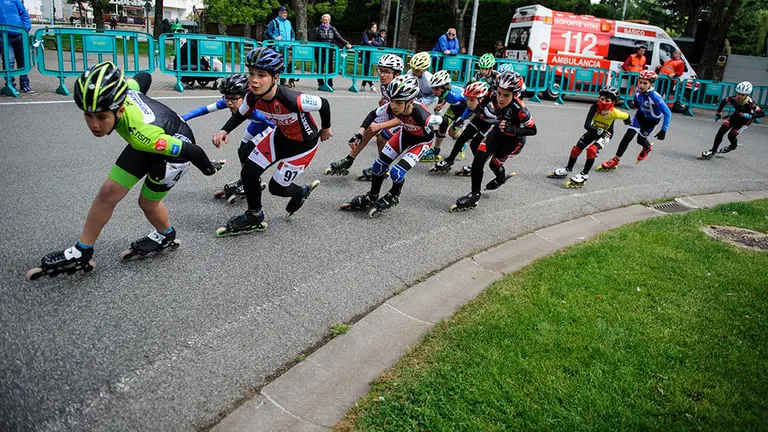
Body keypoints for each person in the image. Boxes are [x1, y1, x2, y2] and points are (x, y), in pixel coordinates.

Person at [25, 62, 224, 280]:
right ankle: (82, 251)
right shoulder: (123, 90)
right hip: (152, 137)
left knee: (147, 203)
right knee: (107, 194)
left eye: (102, 117)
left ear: (119, 110)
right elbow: (145, 77)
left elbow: (193, 150)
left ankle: (166, 235)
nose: (94, 125)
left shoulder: (143, 136)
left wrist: (209, 170)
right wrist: (141, 97)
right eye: (88, 115)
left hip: (172, 153)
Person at [212, 48, 332, 236]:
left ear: (275, 78)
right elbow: (240, 114)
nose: (254, 80)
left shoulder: (293, 99)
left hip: (303, 146)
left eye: (261, 75)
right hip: (280, 137)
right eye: (251, 73)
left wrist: (326, 128)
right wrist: (224, 130)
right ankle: (254, 215)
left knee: (277, 188)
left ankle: (301, 192)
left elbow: (323, 103)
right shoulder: (252, 96)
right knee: (248, 173)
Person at [340, 75, 448, 217]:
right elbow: (373, 114)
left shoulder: (422, 116)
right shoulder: (391, 107)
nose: (393, 105)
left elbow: (445, 121)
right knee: (378, 166)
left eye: (398, 102)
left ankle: (394, 195)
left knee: (396, 172)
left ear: (410, 101)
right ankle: (372, 196)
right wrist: (359, 133)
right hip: (405, 134)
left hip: (421, 142)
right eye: (392, 100)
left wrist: (439, 139)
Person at [450, 71, 536, 212]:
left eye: (506, 95)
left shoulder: (521, 110)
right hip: (498, 132)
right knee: (478, 161)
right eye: (499, 93)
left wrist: (511, 129)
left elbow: (533, 130)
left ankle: (500, 178)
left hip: (514, 140)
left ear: (515, 94)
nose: (500, 98)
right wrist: (479, 109)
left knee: (494, 165)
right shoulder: (493, 94)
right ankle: (474, 195)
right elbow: (486, 100)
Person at [182, 74, 275, 203]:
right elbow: (204, 109)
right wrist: (182, 118)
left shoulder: (256, 110)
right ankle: (246, 179)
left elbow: (274, 125)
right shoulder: (230, 100)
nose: (229, 103)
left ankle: (253, 181)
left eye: (234, 99)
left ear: (245, 96)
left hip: (271, 126)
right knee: (241, 151)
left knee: (247, 151)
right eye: (227, 98)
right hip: (257, 125)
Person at [325, 53, 404, 180]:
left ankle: (383, 168)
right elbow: (375, 112)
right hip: (393, 112)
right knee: (368, 130)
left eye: (386, 71)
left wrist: (380, 125)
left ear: (397, 74)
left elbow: (403, 119)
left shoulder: (401, 90)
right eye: (380, 70)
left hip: (407, 120)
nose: (382, 74)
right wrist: (359, 133)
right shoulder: (386, 84)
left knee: (382, 139)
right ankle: (349, 159)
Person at [547, 86, 629, 188]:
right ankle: (568, 168)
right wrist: (598, 130)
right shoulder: (595, 107)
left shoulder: (615, 113)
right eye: (602, 99)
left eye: (607, 100)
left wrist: (628, 123)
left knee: (592, 150)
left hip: (606, 134)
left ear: (613, 102)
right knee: (576, 149)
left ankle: (584, 174)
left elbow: (627, 116)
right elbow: (586, 125)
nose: (603, 102)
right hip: (594, 130)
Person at [597, 70, 671, 171]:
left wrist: (663, 130)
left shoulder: (655, 97)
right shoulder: (638, 91)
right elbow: (637, 100)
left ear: (651, 84)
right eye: (640, 82)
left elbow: (668, 113)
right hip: (640, 116)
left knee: (640, 140)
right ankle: (615, 160)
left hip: (651, 121)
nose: (641, 85)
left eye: (645, 83)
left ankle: (647, 147)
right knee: (627, 137)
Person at [429, 81, 496, 176]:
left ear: (481, 99)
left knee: (475, 144)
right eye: (467, 99)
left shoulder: (491, 110)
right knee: (462, 137)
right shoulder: (474, 104)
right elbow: (469, 108)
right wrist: (461, 120)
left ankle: (478, 166)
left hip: (491, 123)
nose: (468, 103)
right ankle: (449, 160)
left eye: (471, 100)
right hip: (480, 118)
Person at [699, 81, 764, 160]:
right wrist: (718, 113)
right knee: (721, 132)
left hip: (745, 121)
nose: (739, 96)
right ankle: (713, 150)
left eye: (742, 95)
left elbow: (762, 114)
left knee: (731, 136)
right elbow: (724, 101)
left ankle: (733, 146)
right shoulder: (733, 98)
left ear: (747, 95)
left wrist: (750, 115)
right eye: (738, 93)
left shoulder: (750, 103)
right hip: (735, 116)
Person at [420, 70, 466, 162]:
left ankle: (462, 140)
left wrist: (461, 120)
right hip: (454, 107)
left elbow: (470, 107)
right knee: (443, 125)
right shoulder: (444, 92)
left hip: (465, 109)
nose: (433, 92)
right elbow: (445, 97)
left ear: (443, 88)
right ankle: (435, 150)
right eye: (433, 88)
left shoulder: (455, 96)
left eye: (436, 89)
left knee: (452, 133)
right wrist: (442, 104)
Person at [0, 0, 34, 94]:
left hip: (20, 35)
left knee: (23, 60)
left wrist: (25, 28)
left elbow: (24, 14)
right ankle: (10, 85)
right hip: (3, 37)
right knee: (9, 61)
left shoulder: (14, 1)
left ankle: (25, 85)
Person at [313, 13, 352, 90]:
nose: (325, 21)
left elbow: (339, 38)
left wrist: (347, 43)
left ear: (329, 21)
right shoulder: (317, 29)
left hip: (329, 52)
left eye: (326, 20)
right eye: (324, 20)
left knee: (329, 68)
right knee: (320, 68)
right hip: (320, 52)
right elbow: (313, 40)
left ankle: (329, 84)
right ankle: (321, 84)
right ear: (321, 20)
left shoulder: (332, 29)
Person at [265, 6, 296, 87]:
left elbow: (292, 33)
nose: (285, 14)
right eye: (283, 13)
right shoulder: (274, 22)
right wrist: (274, 37)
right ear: (279, 13)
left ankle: (285, 81)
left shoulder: (288, 22)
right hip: (277, 47)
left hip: (286, 47)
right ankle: (277, 81)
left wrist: (292, 41)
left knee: (285, 64)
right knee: (277, 64)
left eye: (286, 13)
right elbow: (268, 31)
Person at [360, 22, 381, 91]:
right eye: (373, 27)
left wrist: (372, 42)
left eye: (375, 27)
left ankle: (363, 85)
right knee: (366, 69)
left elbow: (379, 43)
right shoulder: (366, 33)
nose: (374, 29)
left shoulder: (377, 34)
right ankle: (371, 85)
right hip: (365, 53)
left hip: (372, 54)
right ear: (370, 27)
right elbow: (366, 42)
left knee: (368, 69)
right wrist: (373, 46)